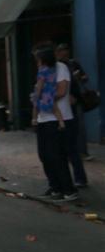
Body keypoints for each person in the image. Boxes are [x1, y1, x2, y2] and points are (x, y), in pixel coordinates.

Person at [31, 44, 78, 202]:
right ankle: (55, 186)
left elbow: (62, 90)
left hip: (59, 118)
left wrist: (44, 99)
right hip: (43, 118)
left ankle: (68, 189)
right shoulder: (42, 71)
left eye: (38, 59)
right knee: (44, 155)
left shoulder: (61, 68)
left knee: (57, 155)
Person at [55, 43, 89, 187]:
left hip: (66, 113)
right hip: (57, 115)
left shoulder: (63, 67)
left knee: (68, 148)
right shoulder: (52, 69)